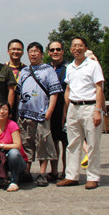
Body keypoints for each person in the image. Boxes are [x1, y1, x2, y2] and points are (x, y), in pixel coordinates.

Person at [57, 37, 105, 190]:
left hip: (90, 107)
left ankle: (93, 176)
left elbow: (99, 88)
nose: (77, 48)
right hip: (73, 107)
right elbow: (68, 89)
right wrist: (66, 110)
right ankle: (71, 175)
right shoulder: (70, 67)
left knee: (93, 143)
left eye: (80, 46)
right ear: (70, 49)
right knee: (73, 144)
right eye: (74, 46)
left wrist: (98, 110)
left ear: (85, 48)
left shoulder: (93, 65)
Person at [16, 42, 62, 186]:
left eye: (36, 51)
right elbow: (18, 92)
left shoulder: (48, 70)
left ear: (42, 54)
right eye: (31, 51)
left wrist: (49, 111)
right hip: (24, 114)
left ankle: (42, 173)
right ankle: (27, 171)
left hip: (41, 113)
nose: (33, 54)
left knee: (43, 143)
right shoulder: (24, 71)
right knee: (26, 143)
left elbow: (54, 92)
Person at [0, 101, 28, 192]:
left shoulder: (13, 125)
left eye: (5, 109)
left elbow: (18, 145)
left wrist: (0, 145)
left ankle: (14, 181)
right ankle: (1, 177)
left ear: (9, 112)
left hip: (18, 161)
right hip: (3, 159)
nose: (1, 112)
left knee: (13, 152)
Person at [47, 40, 69, 179]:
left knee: (66, 142)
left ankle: (66, 171)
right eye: (52, 49)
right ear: (49, 52)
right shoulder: (47, 68)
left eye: (58, 49)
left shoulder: (69, 67)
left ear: (63, 51)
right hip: (51, 109)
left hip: (65, 108)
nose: (55, 52)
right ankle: (54, 171)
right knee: (53, 141)